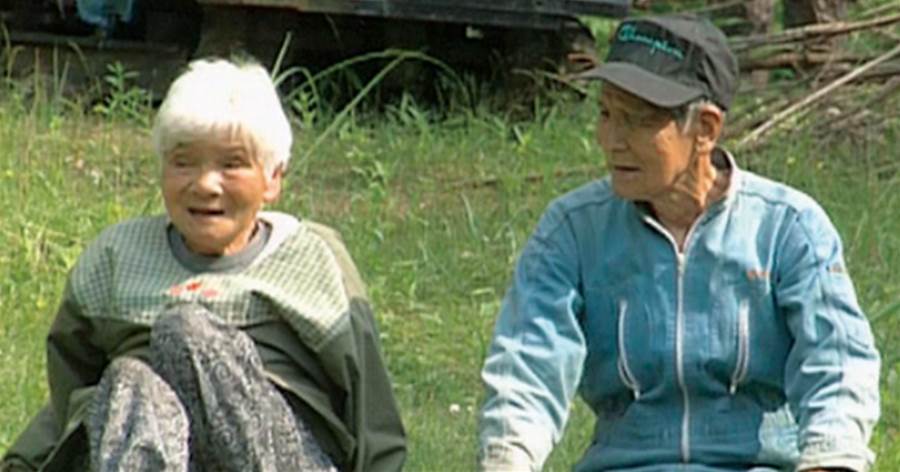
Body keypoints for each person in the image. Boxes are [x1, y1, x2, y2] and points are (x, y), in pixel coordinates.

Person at [477, 13, 880, 472]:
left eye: (636, 121)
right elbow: (527, 368)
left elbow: (838, 364)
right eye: (606, 114)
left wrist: (829, 458)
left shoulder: (788, 228)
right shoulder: (573, 230)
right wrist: (507, 460)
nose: (611, 141)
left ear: (705, 128)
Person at [1, 58, 406, 472]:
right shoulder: (116, 258)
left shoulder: (309, 258)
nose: (205, 184)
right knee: (128, 377)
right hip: (151, 448)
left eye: (232, 164)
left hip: (279, 456)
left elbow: (369, 405)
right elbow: (73, 392)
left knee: (186, 331)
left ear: (272, 179)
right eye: (184, 162)